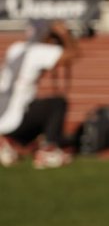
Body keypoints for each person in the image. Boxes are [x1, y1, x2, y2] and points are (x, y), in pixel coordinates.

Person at [0, 21, 76, 168]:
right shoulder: (38, 51)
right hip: (16, 120)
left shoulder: (15, 48)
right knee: (57, 103)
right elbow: (72, 55)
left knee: (34, 108)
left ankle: (10, 143)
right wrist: (65, 35)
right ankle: (48, 150)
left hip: (3, 116)